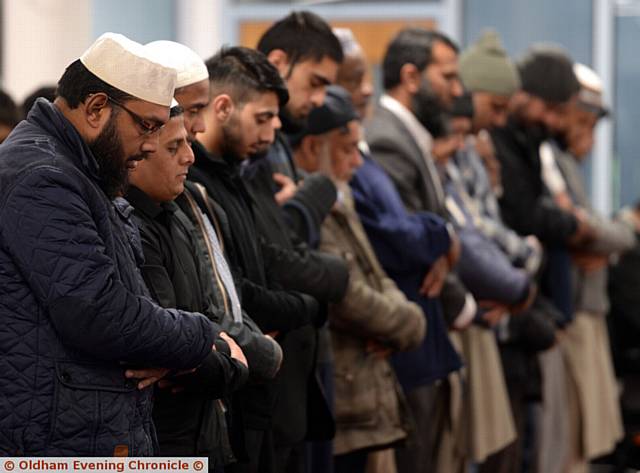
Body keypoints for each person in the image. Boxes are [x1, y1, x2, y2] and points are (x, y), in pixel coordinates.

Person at [0, 32, 222, 456]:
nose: (152, 145)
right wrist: (201, 336)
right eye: (147, 126)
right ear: (97, 108)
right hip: (56, 445)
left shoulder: (78, 172)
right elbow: (100, 313)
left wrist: (159, 344)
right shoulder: (41, 177)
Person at [188, 46, 324, 473]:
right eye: (263, 118)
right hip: (236, 394)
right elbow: (234, 289)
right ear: (224, 107)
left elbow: (263, 259)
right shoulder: (196, 182)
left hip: (266, 394)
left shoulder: (237, 173)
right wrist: (309, 306)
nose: (276, 128)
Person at [293, 86, 426, 473]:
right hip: (343, 396)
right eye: (345, 149)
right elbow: (346, 295)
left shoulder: (341, 195)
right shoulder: (303, 207)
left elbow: (377, 274)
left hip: (367, 396)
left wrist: (403, 321)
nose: (355, 162)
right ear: (312, 146)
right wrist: (409, 322)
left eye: (358, 149)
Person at [365, 27, 473, 473]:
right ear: (411, 77)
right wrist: (445, 240)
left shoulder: (412, 135)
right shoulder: (389, 137)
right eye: (447, 77)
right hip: (407, 329)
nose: (457, 90)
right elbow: (407, 242)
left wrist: (443, 243)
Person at [127, 102, 250, 471]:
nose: (190, 157)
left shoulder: (177, 215)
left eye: (188, 144)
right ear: (138, 151)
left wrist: (219, 355)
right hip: (163, 442)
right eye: (173, 147)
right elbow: (167, 350)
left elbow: (211, 316)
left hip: (204, 435)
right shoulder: (132, 227)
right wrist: (229, 361)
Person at [543, 63, 631, 472]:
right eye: (583, 120)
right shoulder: (548, 159)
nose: (588, 134)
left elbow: (599, 234)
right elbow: (584, 231)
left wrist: (609, 237)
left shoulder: (565, 164)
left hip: (586, 312)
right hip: (570, 312)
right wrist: (618, 231)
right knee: (567, 446)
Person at [257, 10, 345, 246]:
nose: (319, 100)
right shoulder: (246, 146)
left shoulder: (281, 137)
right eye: (314, 83)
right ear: (277, 64)